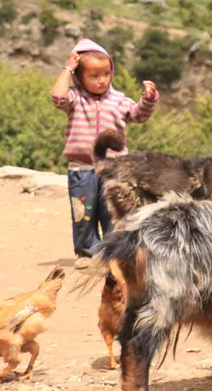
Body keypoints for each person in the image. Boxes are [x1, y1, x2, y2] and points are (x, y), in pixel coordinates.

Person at [50, 39, 158, 268]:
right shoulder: (75, 98)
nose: (102, 81)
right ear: (80, 77)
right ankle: (87, 254)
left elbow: (138, 115)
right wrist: (68, 68)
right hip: (82, 168)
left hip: (114, 169)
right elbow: (57, 96)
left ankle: (113, 254)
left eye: (106, 74)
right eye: (94, 76)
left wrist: (148, 99)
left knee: (113, 212)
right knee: (84, 212)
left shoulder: (118, 100)